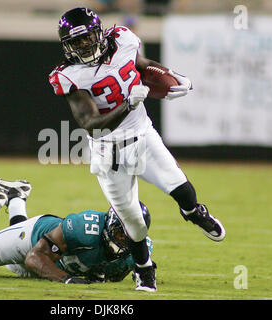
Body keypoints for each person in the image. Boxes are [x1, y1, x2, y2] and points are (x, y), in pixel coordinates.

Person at [48, 7, 226, 292]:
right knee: (133, 222)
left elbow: (141, 65)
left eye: (87, 38)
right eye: (76, 42)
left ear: (100, 33)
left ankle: (194, 212)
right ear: (67, 46)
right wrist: (128, 104)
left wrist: (170, 75)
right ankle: (144, 269)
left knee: (180, 187)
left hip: (143, 136)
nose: (84, 45)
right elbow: (92, 125)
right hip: (110, 153)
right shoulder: (70, 76)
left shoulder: (122, 40)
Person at [0, 178, 153, 284]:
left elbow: (142, 269)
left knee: (13, 268)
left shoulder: (138, 252)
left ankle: (16, 197)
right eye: (121, 232)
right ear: (110, 223)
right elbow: (34, 257)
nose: (124, 240)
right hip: (32, 241)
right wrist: (64, 279)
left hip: (51, 260)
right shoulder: (85, 228)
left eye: (130, 235)